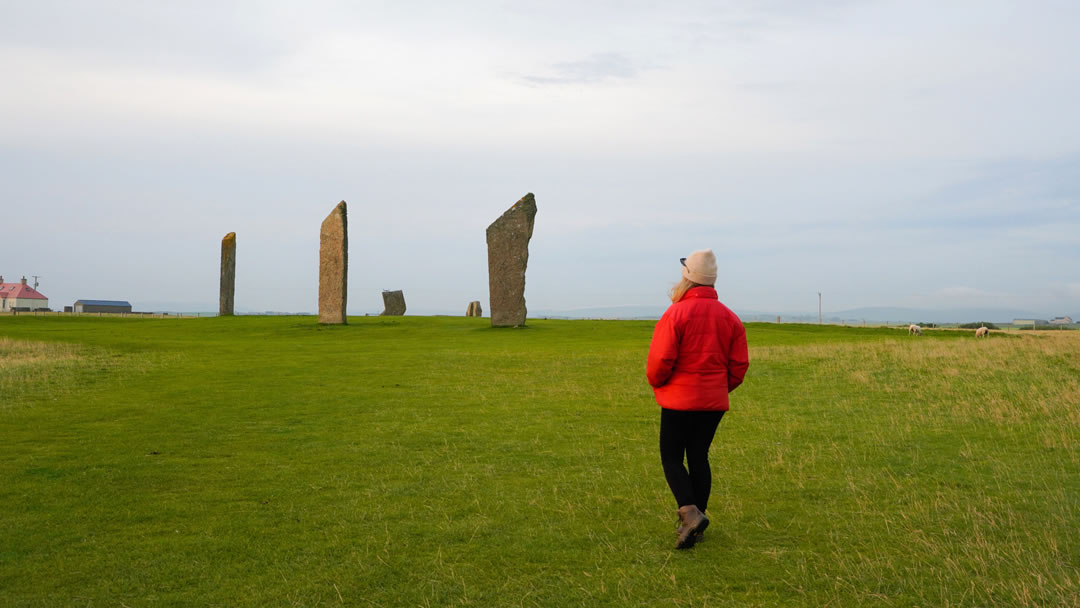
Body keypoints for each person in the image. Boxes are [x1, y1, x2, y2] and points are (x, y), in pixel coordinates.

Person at [646, 249, 749, 549]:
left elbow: (659, 362)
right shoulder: (730, 318)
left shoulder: (675, 313)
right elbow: (739, 367)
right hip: (712, 404)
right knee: (699, 456)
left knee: (671, 457)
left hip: (678, 402)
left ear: (687, 277)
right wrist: (717, 388)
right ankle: (696, 526)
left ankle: (690, 514)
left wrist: (661, 385)